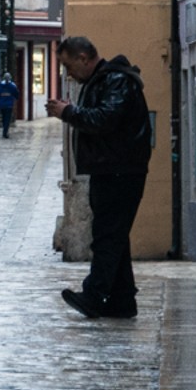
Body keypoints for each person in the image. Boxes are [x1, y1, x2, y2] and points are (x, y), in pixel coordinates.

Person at [48, 36, 151, 320]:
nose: (68, 73)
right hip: (112, 168)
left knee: (106, 236)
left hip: (120, 170)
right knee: (114, 236)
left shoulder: (116, 81)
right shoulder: (106, 81)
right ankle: (122, 300)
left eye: (69, 66)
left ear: (84, 58)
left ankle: (94, 296)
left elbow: (104, 120)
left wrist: (68, 112)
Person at [0, 73, 20, 138]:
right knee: (7, 119)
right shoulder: (12, 86)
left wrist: (0, 100)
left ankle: (5, 130)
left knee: (4, 118)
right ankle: (5, 132)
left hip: (2, 105)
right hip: (9, 105)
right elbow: (16, 94)